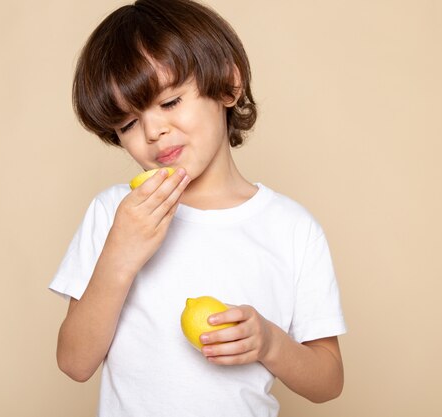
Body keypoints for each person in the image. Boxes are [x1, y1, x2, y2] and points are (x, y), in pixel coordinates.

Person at [50, 0, 346, 415]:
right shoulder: (115, 213)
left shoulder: (292, 228)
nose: (154, 130)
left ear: (228, 84)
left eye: (170, 102)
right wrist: (120, 255)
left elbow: (328, 380)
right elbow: (75, 363)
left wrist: (269, 341)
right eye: (128, 124)